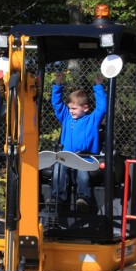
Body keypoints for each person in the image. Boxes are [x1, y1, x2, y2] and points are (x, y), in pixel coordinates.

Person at [50, 72, 107, 213]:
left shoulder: (92, 120)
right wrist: (58, 84)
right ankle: (58, 199)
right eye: (70, 108)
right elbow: (57, 104)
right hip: (66, 157)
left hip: (84, 157)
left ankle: (84, 200)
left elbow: (102, 108)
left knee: (82, 172)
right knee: (58, 168)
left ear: (85, 108)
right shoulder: (66, 118)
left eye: (74, 108)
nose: (71, 111)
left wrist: (98, 86)